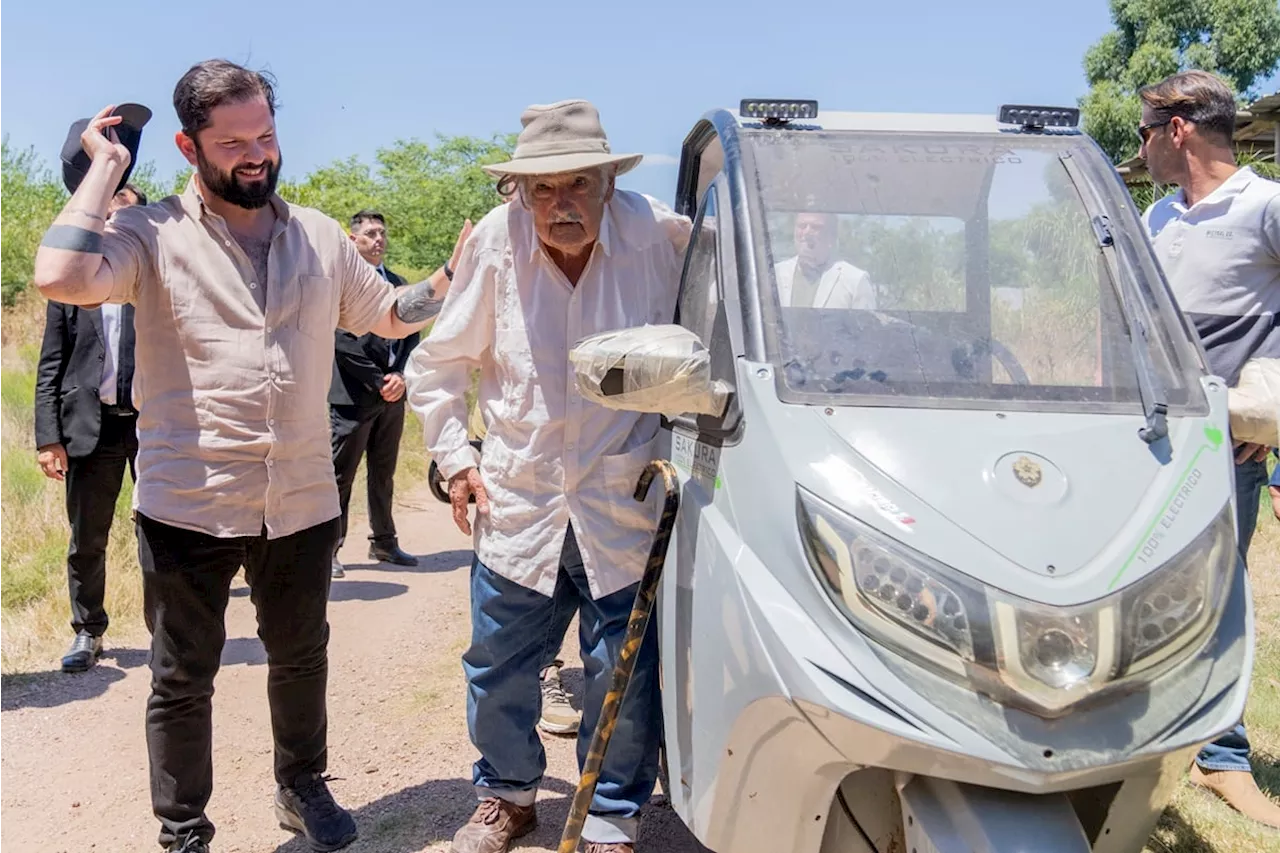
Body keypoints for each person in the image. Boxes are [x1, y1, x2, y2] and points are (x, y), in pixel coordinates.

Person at [32, 59, 448, 853]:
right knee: (182, 678)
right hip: (187, 501)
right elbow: (60, 273)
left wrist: (454, 274)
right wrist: (107, 167)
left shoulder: (321, 236)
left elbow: (391, 312)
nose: (257, 154)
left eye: (266, 134)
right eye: (234, 142)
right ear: (189, 147)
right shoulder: (149, 233)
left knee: (301, 656)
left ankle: (302, 785)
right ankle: (183, 825)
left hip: (298, 496)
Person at [406, 99, 692, 853]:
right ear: (519, 193)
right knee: (499, 665)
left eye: (578, 186)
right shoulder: (496, 244)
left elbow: (709, 345)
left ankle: (611, 813)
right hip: (521, 494)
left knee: (618, 676)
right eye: (542, 189)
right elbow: (435, 365)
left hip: (620, 494)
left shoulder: (660, 237)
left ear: (608, 182)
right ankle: (507, 794)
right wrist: (456, 461)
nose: (560, 205)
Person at [1138, 68, 1280, 829]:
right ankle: (1148, 739)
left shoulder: (1266, 208)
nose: (1144, 148)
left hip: (1227, 455)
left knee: (1221, 598)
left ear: (1180, 128)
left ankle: (1221, 759)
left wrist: (1271, 427)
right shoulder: (1157, 219)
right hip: (1147, 446)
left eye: (1145, 132)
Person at [35, 182, 146, 673]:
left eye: (126, 213)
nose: (114, 220)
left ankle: (167, 629)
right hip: (90, 428)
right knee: (87, 538)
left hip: (154, 427)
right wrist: (48, 437)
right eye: (109, 210)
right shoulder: (71, 285)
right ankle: (88, 631)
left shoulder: (153, 282)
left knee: (164, 533)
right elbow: (50, 364)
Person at [329, 209, 471, 577]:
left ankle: (384, 542)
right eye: (370, 233)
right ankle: (331, 549)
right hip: (352, 397)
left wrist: (402, 377)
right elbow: (342, 341)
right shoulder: (341, 286)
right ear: (352, 240)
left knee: (383, 472)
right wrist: (379, 381)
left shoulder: (397, 283)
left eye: (382, 233)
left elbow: (410, 332)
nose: (379, 240)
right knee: (339, 476)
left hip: (393, 395)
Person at [774, 212, 875, 308]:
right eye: (802, 226)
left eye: (816, 227)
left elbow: (867, 325)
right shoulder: (775, 274)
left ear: (831, 237)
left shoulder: (855, 280)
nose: (807, 232)